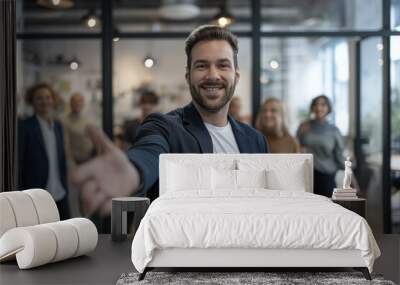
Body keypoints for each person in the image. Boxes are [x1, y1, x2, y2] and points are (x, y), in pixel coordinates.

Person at [73, 25, 269, 217]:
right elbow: (149, 151)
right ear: (188, 76)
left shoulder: (255, 139)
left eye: (222, 65)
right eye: (201, 65)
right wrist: (134, 172)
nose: (212, 75)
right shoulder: (164, 126)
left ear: (236, 76)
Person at [18, 83, 70, 219]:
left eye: (47, 97)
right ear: (32, 102)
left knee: (64, 232)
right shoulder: (25, 127)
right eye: (39, 98)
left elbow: (61, 158)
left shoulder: (57, 126)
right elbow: (20, 161)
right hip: (36, 194)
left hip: (60, 191)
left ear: (52, 100)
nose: (44, 101)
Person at [297, 95, 344, 197]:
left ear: (328, 108)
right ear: (312, 107)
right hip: (306, 175)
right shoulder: (304, 127)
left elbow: (339, 155)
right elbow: (296, 148)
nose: (319, 108)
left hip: (326, 177)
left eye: (323, 105)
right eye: (316, 104)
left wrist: (351, 177)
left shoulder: (334, 130)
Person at [63, 92, 94, 165]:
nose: (77, 104)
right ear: (70, 104)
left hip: (88, 159)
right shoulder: (63, 121)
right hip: (72, 161)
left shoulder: (89, 120)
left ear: (83, 104)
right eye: (75, 101)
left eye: (80, 101)